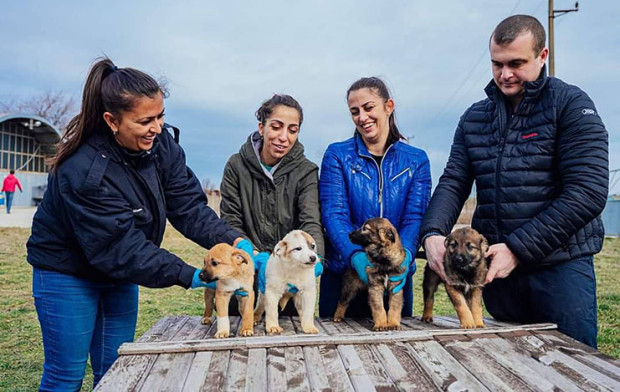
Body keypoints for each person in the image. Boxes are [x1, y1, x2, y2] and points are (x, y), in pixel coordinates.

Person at [26, 58, 253, 391]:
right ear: (112, 120)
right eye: (146, 120)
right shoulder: (84, 170)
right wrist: (192, 275)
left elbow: (187, 205)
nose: (157, 128)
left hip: (118, 273)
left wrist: (234, 240)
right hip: (68, 272)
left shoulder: (160, 145)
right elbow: (121, 247)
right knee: (66, 375)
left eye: (161, 116)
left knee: (117, 367)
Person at [420, 15, 608, 348]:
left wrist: (519, 249)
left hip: (560, 271)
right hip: (498, 273)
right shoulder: (474, 118)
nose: (505, 74)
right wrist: (433, 232)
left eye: (516, 63)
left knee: (572, 368)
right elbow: (453, 181)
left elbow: (587, 192)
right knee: (502, 367)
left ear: (542, 55)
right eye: (497, 64)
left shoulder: (572, 106)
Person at [318, 77, 432, 318]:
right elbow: (334, 214)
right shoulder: (337, 155)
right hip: (345, 274)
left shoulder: (416, 160)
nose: (362, 117)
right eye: (354, 112)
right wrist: (355, 255)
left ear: (388, 107)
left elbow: (415, 218)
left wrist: (407, 256)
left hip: (394, 279)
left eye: (369, 108)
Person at [220, 94, 324, 313]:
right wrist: (252, 256)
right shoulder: (236, 166)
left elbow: (310, 221)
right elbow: (230, 219)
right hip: (244, 273)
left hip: (289, 278)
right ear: (261, 127)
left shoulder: (306, 171)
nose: (283, 137)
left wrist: (316, 256)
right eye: (276, 127)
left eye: (292, 130)